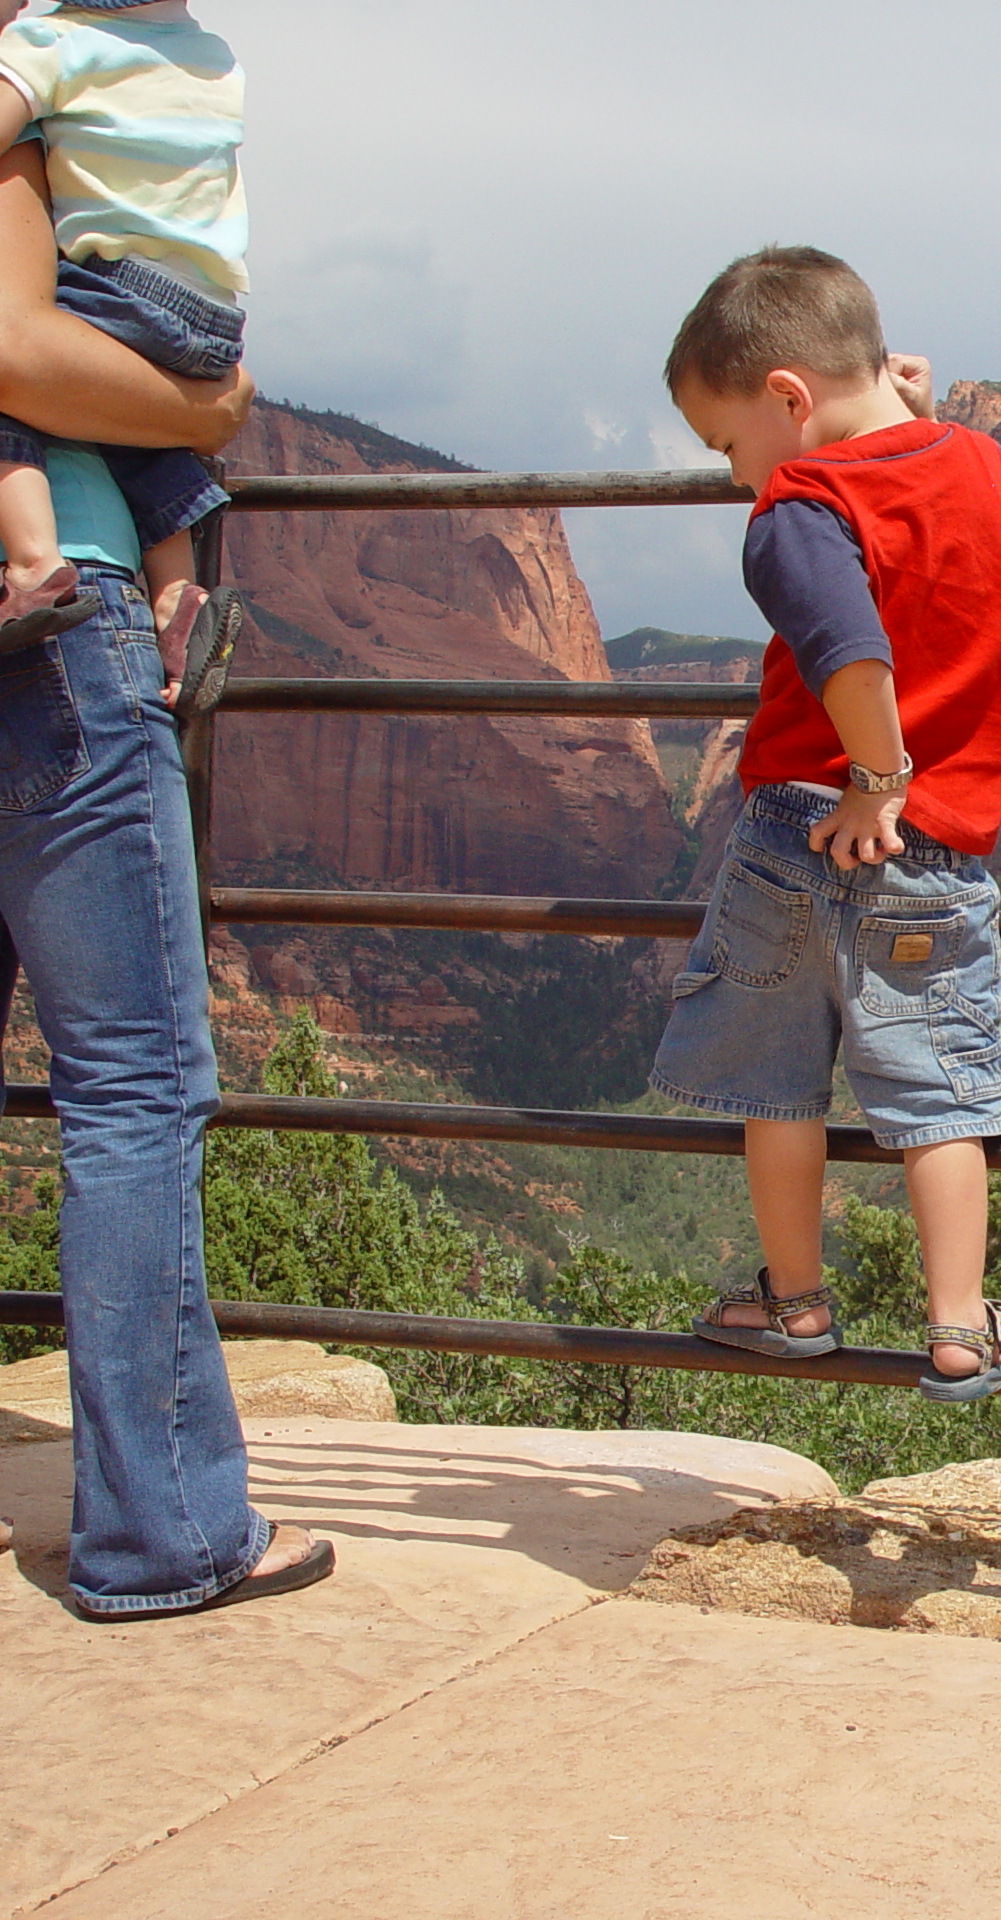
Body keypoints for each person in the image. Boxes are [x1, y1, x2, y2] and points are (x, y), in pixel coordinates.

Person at [0, 129, 328, 1615]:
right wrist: (213, 403)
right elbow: (26, 352)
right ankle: (166, 1532)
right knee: (131, 1089)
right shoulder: (21, 122)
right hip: (54, 626)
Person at [650, 245, 1001, 1402]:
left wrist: (877, 775)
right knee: (939, 1099)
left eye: (729, 443)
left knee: (780, 1087)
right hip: (931, 854)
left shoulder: (799, 505)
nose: (737, 475)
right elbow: (993, 504)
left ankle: (795, 1301)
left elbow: (850, 650)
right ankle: (960, 1325)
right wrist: (919, 419)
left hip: (801, 829)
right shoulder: (977, 462)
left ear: (787, 397)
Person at [0, 0, 244, 672]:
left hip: (120, 286)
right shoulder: (206, 51)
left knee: (42, 386)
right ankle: (176, 594)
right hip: (209, 311)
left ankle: (31, 562)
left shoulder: (48, 44)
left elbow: (18, 355)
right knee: (107, 410)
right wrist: (214, 407)